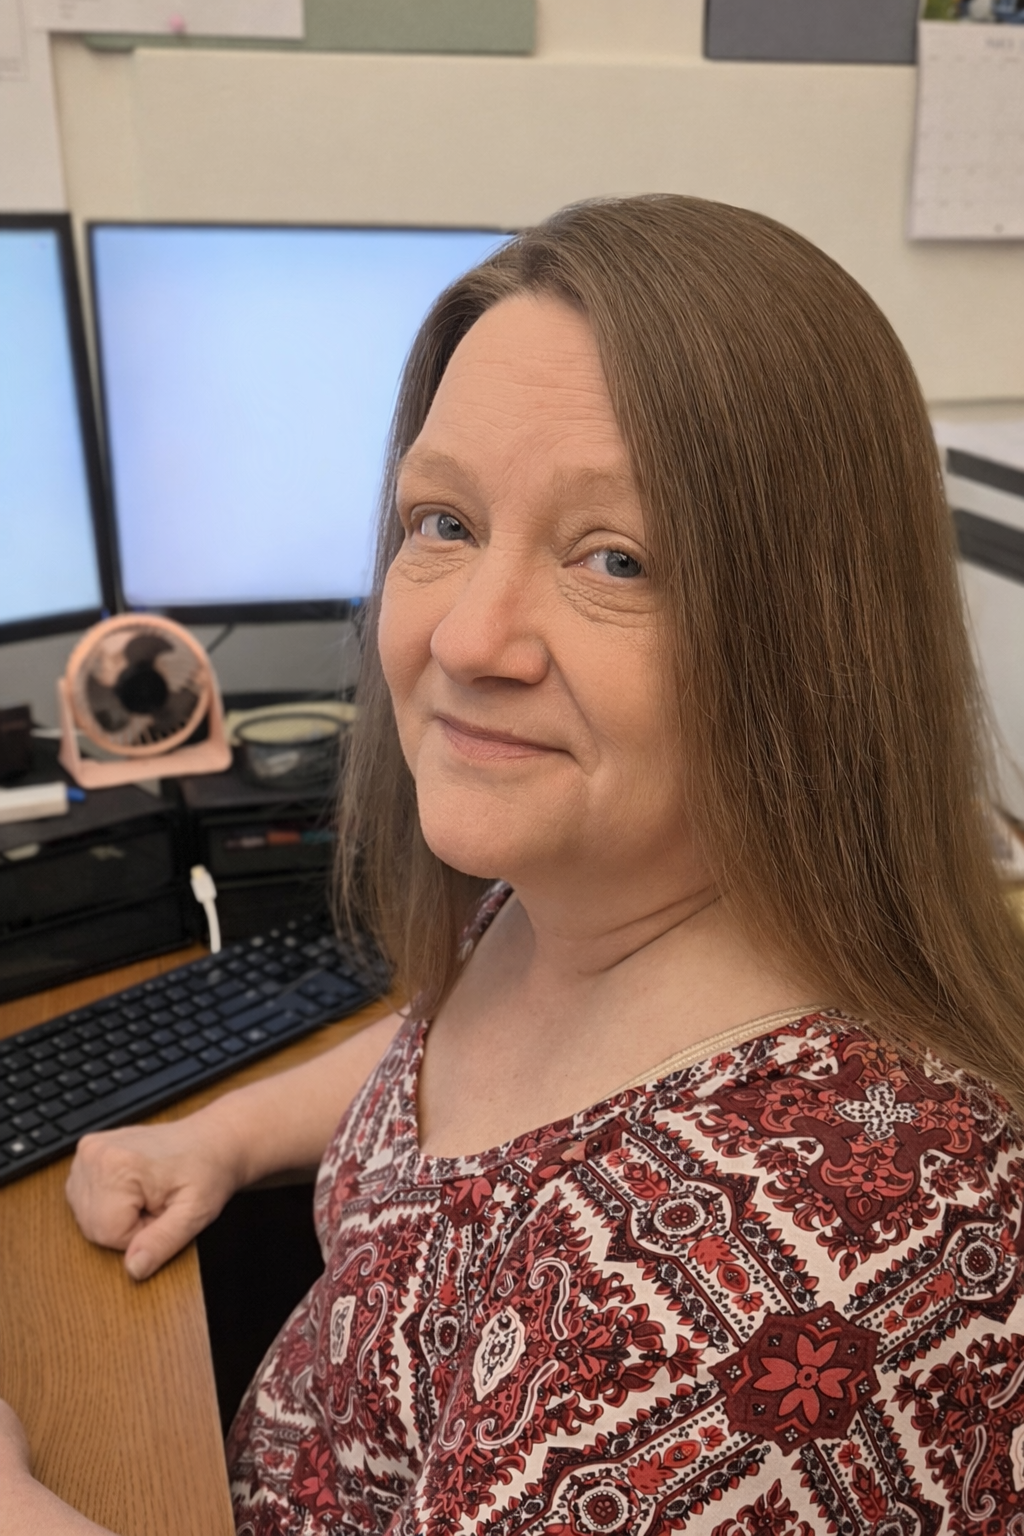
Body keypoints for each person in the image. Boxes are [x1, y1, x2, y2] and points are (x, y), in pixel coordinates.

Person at [4, 194, 1024, 1535]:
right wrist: (222, 1130)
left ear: (814, 645)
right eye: (445, 522)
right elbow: (449, 1055)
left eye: (616, 558)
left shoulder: (767, 1304)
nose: (468, 639)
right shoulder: (582, 888)